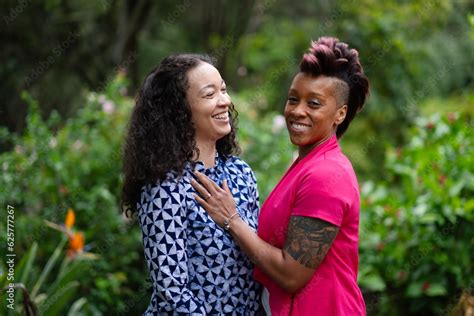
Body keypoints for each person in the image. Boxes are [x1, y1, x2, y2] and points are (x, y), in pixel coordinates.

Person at [192, 37, 369, 315]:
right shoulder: (305, 163)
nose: (298, 111)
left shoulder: (326, 174)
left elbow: (291, 275)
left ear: (340, 113)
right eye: (293, 99)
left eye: (314, 103)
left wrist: (231, 220)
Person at [121, 54, 261, 315]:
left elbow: (259, 261)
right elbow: (172, 293)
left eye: (224, 90)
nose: (225, 101)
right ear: (179, 110)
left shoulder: (241, 173)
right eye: (210, 94)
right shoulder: (165, 188)